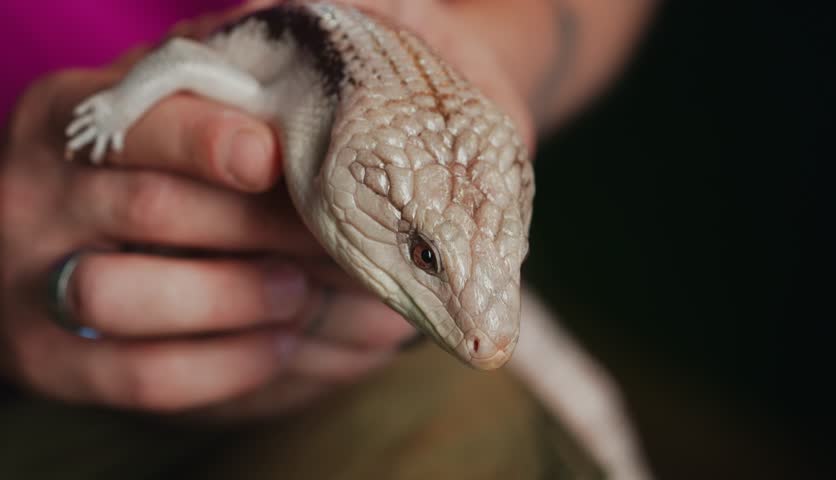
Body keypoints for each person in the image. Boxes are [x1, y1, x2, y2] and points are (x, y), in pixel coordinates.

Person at [1, 0, 657, 476]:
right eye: (423, 256)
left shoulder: (365, 155)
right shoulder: (283, 93)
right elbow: (180, 63)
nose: (494, 334)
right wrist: (114, 115)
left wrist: (501, 54)